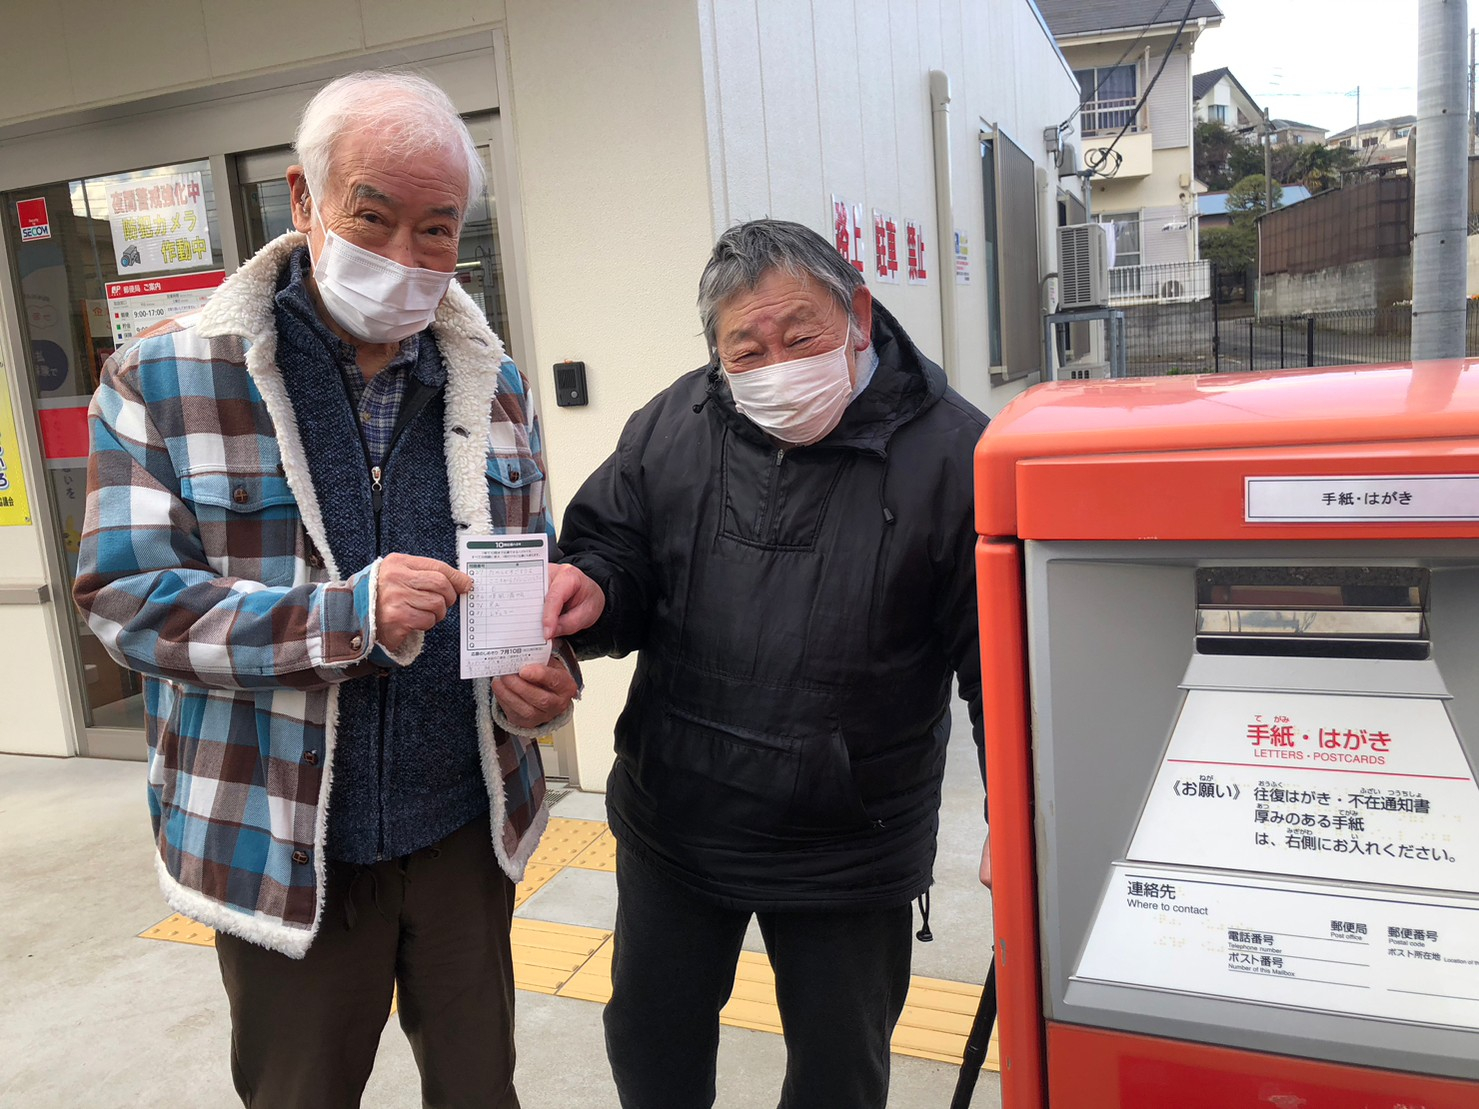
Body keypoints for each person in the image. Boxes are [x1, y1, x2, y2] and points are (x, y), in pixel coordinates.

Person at [73, 71, 601, 1109]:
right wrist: (344, 618)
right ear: (303, 199)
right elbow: (126, 598)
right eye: (373, 215)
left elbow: (523, 576)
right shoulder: (167, 377)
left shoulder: (493, 383)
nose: (406, 255)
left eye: (437, 229)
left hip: (464, 830)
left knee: (480, 1089)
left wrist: (541, 676)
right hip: (277, 839)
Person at [559, 218, 987, 1109]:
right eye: (746, 350)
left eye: (800, 336)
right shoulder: (671, 422)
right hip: (675, 815)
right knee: (650, 1043)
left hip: (849, 842)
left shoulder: (953, 453)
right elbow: (614, 550)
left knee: (838, 1076)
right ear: (715, 354)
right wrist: (593, 593)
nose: (776, 366)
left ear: (858, 314)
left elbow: (1000, 661)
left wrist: (1018, 818)